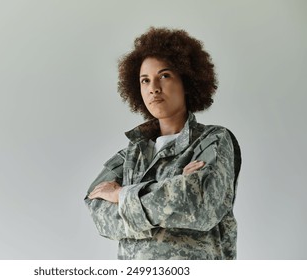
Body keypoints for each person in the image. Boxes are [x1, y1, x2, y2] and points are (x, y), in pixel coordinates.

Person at [84, 27, 241, 260]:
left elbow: (200, 205)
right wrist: (175, 190)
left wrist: (122, 196)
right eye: (145, 80)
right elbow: (98, 213)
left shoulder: (213, 140)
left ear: (187, 82)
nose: (153, 88)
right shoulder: (129, 156)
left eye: (164, 76)